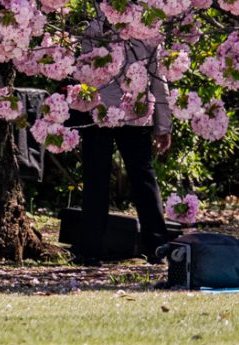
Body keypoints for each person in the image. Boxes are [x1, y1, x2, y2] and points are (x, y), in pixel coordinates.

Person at [73, 25, 172, 263]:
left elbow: (83, 72)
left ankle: (90, 250)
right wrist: (163, 126)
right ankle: (157, 245)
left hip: (100, 111)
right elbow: (158, 79)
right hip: (136, 112)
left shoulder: (94, 29)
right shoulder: (149, 30)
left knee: (96, 179)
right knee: (143, 179)